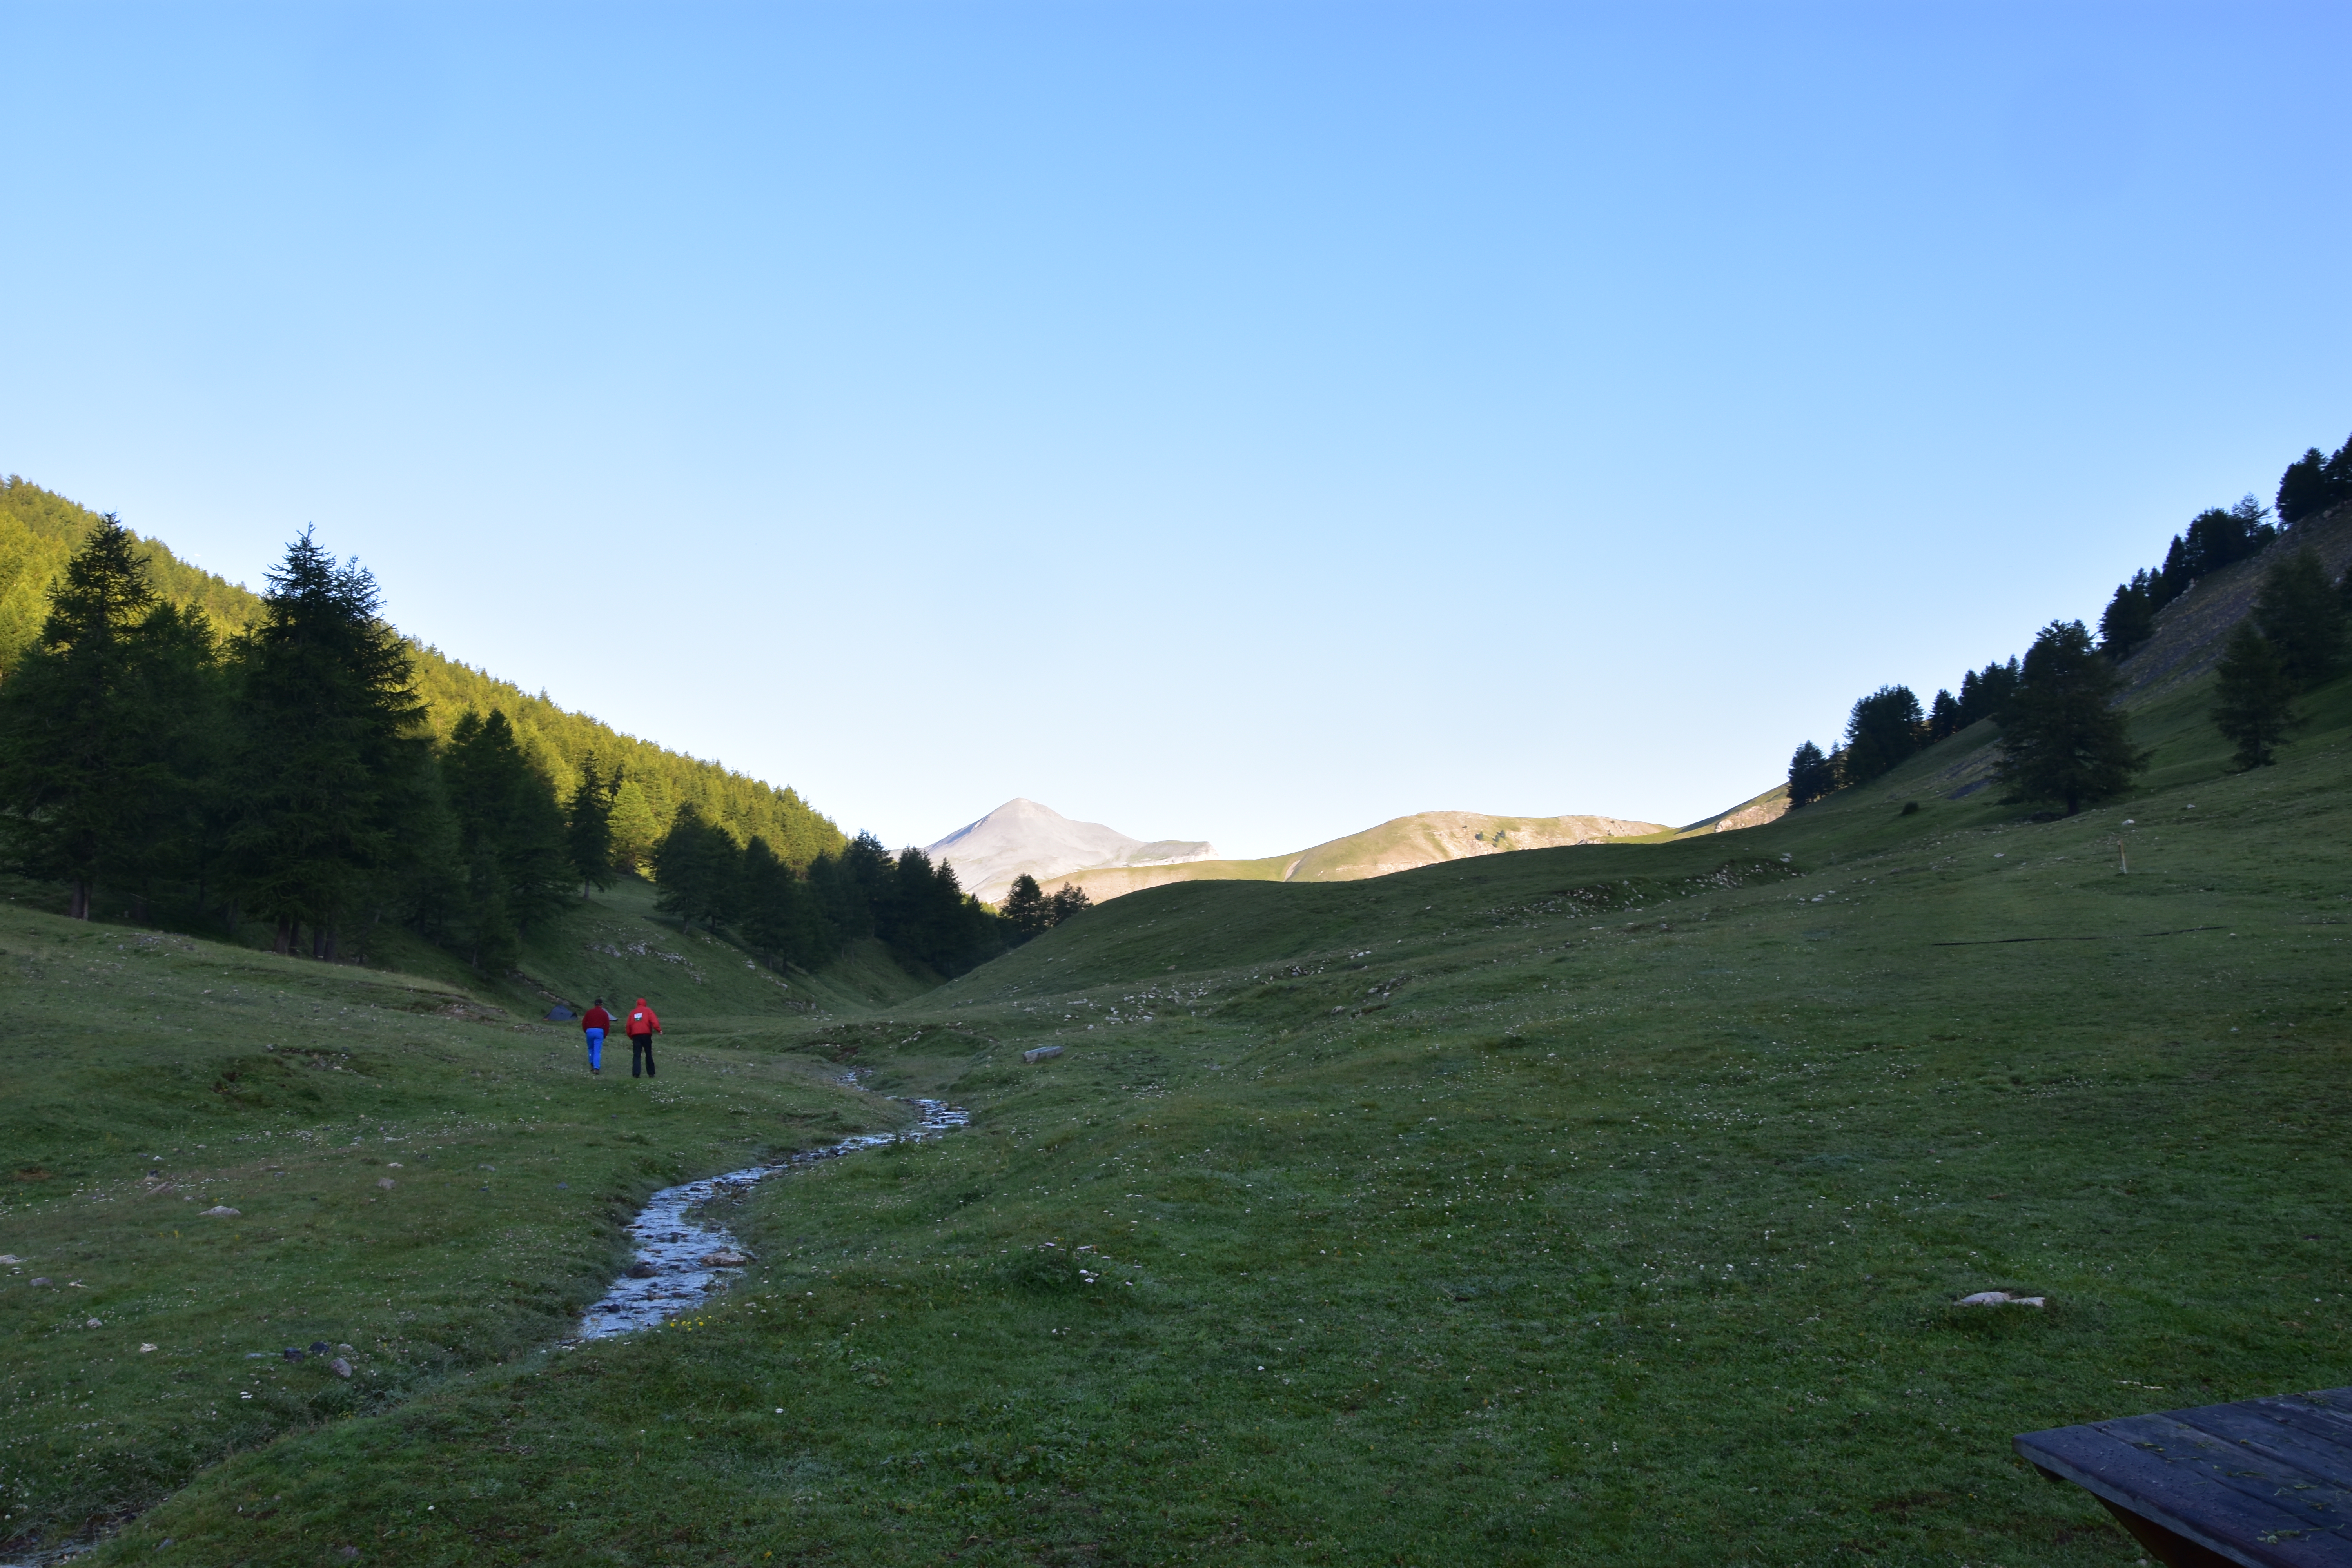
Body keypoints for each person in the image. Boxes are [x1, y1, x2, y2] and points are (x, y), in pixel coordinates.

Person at [625, 996, 662, 1079]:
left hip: (636, 1036)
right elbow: (654, 1021)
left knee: (637, 1055)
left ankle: (636, 1073)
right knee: (648, 1053)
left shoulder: (633, 1013)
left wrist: (631, 1036)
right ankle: (651, 1073)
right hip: (646, 1035)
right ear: (645, 1003)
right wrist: (659, 1030)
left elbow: (628, 1026)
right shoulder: (648, 1011)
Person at [579, 997, 612, 1075]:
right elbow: (607, 1025)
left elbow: (584, 1023)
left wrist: (586, 1031)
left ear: (594, 1004)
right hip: (599, 1032)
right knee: (597, 1051)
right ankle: (596, 1068)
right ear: (602, 1005)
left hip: (590, 1031)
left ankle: (592, 1064)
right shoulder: (604, 1013)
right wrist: (605, 1034)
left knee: (591, 1049)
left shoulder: (589, 1012)